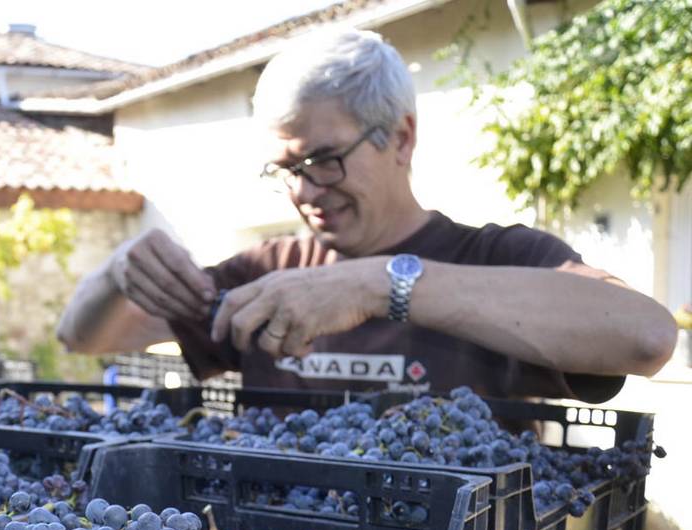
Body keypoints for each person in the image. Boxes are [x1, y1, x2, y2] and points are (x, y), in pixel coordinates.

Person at [56, 29, 677, 402]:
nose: (304, 192)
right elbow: (85, 337)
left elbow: (646, 337)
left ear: (401, 139)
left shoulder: (497, 259)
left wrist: (381, 285)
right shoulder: (268, 272)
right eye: (286, 170)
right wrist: (117, 273)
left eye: (323, 160)